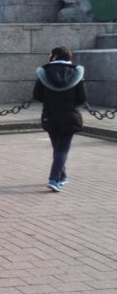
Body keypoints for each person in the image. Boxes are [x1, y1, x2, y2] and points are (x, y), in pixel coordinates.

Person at [33, 46, 87, 192]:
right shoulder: (76, 73)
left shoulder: (44, 72)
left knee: (57, 148)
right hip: (69, 116)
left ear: (55, 56)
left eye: (50, 54)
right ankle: (54, 179)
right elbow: (82, 98)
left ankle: (61, 176)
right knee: (61, 150)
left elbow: (37, 95)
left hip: (50, 116)